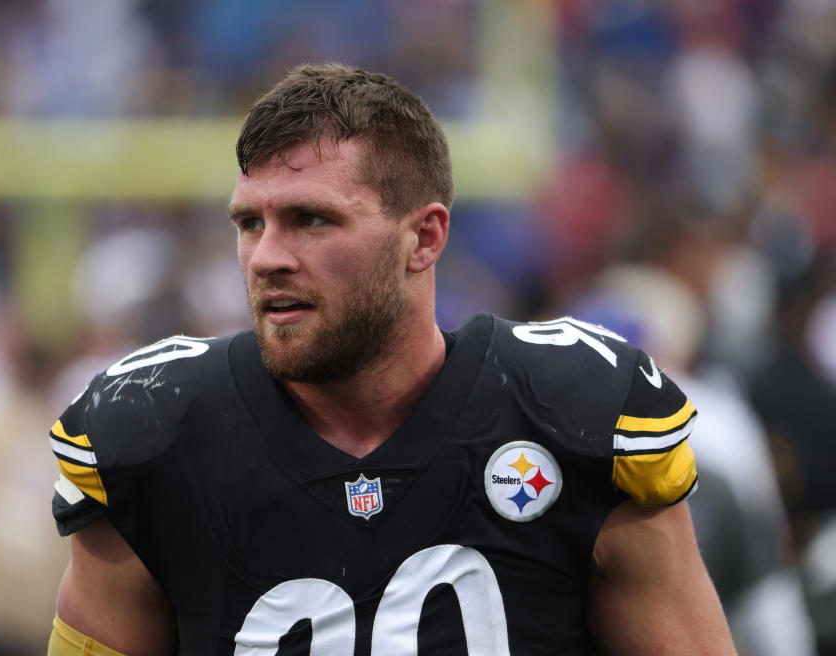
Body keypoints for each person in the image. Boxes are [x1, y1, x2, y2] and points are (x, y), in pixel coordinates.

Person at [46, 63, 736, 655]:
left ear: (425, 238)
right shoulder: (154, 434)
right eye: (250, 223)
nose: (267, 258)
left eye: (311, 219)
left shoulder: (570, 417)